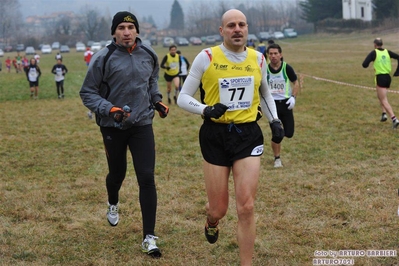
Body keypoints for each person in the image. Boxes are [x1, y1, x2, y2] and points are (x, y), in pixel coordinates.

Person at [177, 9, 284, 266]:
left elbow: (265, 94)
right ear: (222, 31)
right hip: (215, 134)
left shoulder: (258, 59)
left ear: (247, 29)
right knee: (219, 209)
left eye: (242, 25)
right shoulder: (206, 57)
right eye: (231, 25)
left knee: (246, 207)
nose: (238, 29)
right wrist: (206, 109)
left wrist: (275, 120)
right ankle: (212, 220)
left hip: (247, 134)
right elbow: (183, 97)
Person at [80, 11, 169, 258]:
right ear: (114, 32)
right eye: (121, 27)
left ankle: (149, 237)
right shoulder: (103, 58)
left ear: (137, 31)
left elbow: (151, 81)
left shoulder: (149, 54)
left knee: (147, 176)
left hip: (141, 123)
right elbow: (87, 93)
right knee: (117, 173)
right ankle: (113, 202)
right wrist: (110, 110)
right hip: (113, 126)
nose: (126, 32)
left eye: (130, 27)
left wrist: (157, 101)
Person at [266, 43, 299, 168]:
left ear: (281, 55)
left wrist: (293, 98)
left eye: (276, 53)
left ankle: (278, 135)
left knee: (289, 133)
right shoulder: (265, 69)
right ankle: (277, 159)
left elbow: (295, 82)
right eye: (271, 54)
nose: (273, 56)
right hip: (272, 105)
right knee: (277, 133)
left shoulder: (286, 68)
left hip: (286, 104)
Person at [362, 38, 399, 128]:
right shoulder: (387, 52)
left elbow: (364, 64)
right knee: (380, 96)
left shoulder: (374, 53)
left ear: (375, 44)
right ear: (382, 44)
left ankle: (394, 119)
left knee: (383, 100)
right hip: (387, 77)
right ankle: (384, 114)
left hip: (381, 77)